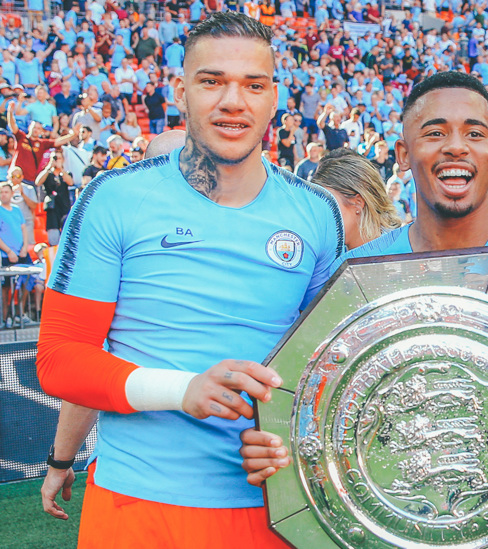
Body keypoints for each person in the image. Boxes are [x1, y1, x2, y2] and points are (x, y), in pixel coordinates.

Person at [36, 14, 344, 549]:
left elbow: (329, 369)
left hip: (273, 508)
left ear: (274, 98)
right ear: (181, 91)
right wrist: (184, 390)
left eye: (253, 84)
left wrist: (292, 442)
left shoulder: (317, 214)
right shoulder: (114, 199)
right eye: (212, 81)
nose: (233, 100)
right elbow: (60, 359)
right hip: (137, 506)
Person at [239, 71, 488, 485]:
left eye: (475, 133)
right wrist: (273, 445)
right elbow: (313, 415)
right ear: (404, 154)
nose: (456, 147)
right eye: (434, 133)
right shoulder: (351, 277)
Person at [309, 148, 401, 249]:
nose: (319, 216)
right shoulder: (324, 254)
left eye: (327, 205)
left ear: (358, 203)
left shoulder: (402, 251)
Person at [0, 182, 34, 326]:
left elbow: (23, 229)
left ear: (11, 193)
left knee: (29, 277)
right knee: (5, 287)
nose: (3, 194)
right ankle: (4, 317)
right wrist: (8, 251)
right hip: (6, 255)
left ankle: (20, 312)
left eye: (6, 192)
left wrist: (25, 247)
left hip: (21, 253)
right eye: (1, 192)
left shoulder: (16, 210)